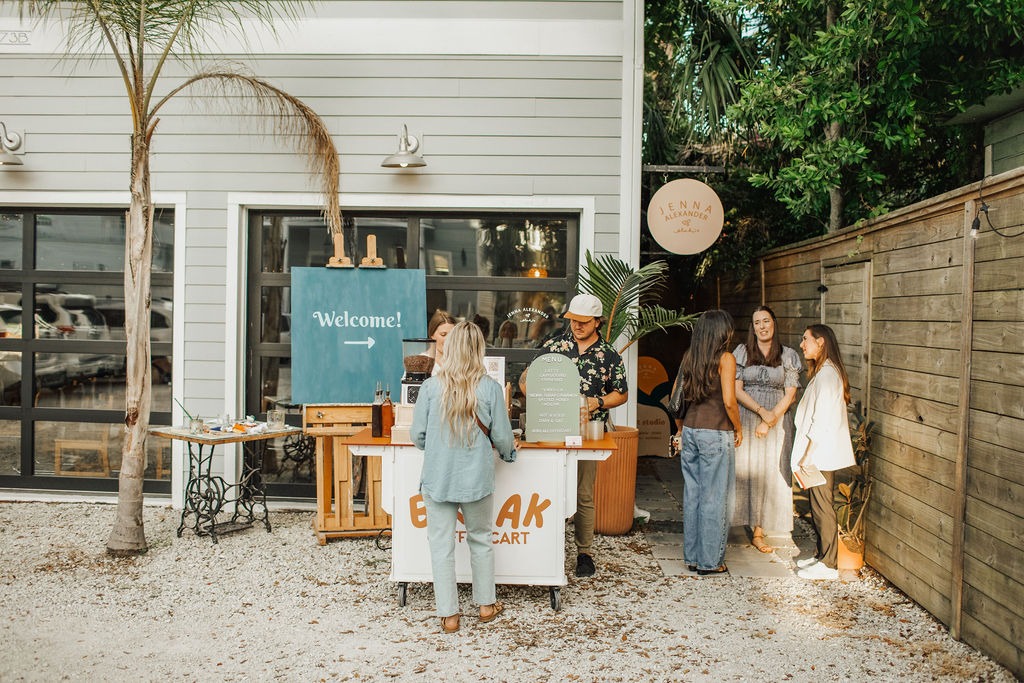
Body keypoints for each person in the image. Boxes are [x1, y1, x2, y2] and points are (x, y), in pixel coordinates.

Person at [411, 321, 519, 633]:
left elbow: (417, 436)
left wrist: (436, 447)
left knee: (440, 546)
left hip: (438, 477)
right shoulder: (490, 388)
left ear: (451, 348)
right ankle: (485, 605)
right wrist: (510, 455)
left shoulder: (431, 388)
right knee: (481, 540)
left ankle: (449, 615)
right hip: (477, 479)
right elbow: (503, 438)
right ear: (478, 350)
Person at [537, 293, 628, 578]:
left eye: (584, 321)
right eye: (573, 320)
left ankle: (584, 553)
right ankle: (546, 548)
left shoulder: (609, 355)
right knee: (549, 489)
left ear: (597, 322)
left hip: (589, 433)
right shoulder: (554, 346)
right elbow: (530, 377)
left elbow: (621, 393)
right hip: (551, 429)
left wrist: (597, 402)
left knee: (583, 493)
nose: (577, 325)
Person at [677, 309, 743, 576]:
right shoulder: (726, 358)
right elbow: (729, 400)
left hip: (690, 430)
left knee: (693, 495)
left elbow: (677, 396)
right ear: (722, 332)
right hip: (715, 431)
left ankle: (693, 557)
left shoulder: (689, 356)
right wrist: (738, 427)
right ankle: (710, 562)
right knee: (714, 497)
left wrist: (680, 430)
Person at [732, 306, 801, 553]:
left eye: (766, 321)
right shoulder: (742, 352)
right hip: (748, 416)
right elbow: (736, 390)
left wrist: (770, 420)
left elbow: (790, 394)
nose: (762, 326)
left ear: (774, 323)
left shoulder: (788, 355)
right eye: (757, 322)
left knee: (771, 471)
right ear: (752, 327)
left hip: (777, 420)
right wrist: (762, 412)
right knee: (746, 468)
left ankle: (759, 532)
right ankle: (740, 518)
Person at [791, 324, 855, 581]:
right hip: (820, 451)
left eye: (805, 339)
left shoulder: (828, 375)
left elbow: (821, 420)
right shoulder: (826, 372)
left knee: (822, 507)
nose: (802, 345)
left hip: (820, 453)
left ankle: (829, 564)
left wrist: (808, 454)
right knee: (818, 505)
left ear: (821, 342)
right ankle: (822, 555)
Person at [427, 309, 457, 375]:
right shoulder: (421, 362)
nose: (448, 339)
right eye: (443, 334)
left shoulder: (460, 362)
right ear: (432, 335)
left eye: (451, 335)